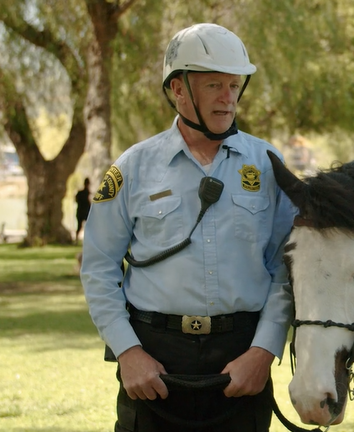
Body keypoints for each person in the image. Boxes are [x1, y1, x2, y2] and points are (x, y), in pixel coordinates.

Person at [80, 23, 296, 432]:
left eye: (235, 85)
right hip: (154, 364)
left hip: (242, 362)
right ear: (177, 89)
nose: (228, 98)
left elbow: (286, 268)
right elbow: (99, 267)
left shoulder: (268, 163)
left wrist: (264, 351)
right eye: (214, 84)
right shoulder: (134, 167)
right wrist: (128, 353)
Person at [74, 177, 91, 243]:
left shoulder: (81, 193)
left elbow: (76, 200)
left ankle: (76, 240)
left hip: (81, 211)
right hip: (85, 211)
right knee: (87, 226)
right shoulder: (86, 193)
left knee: (79, 226)